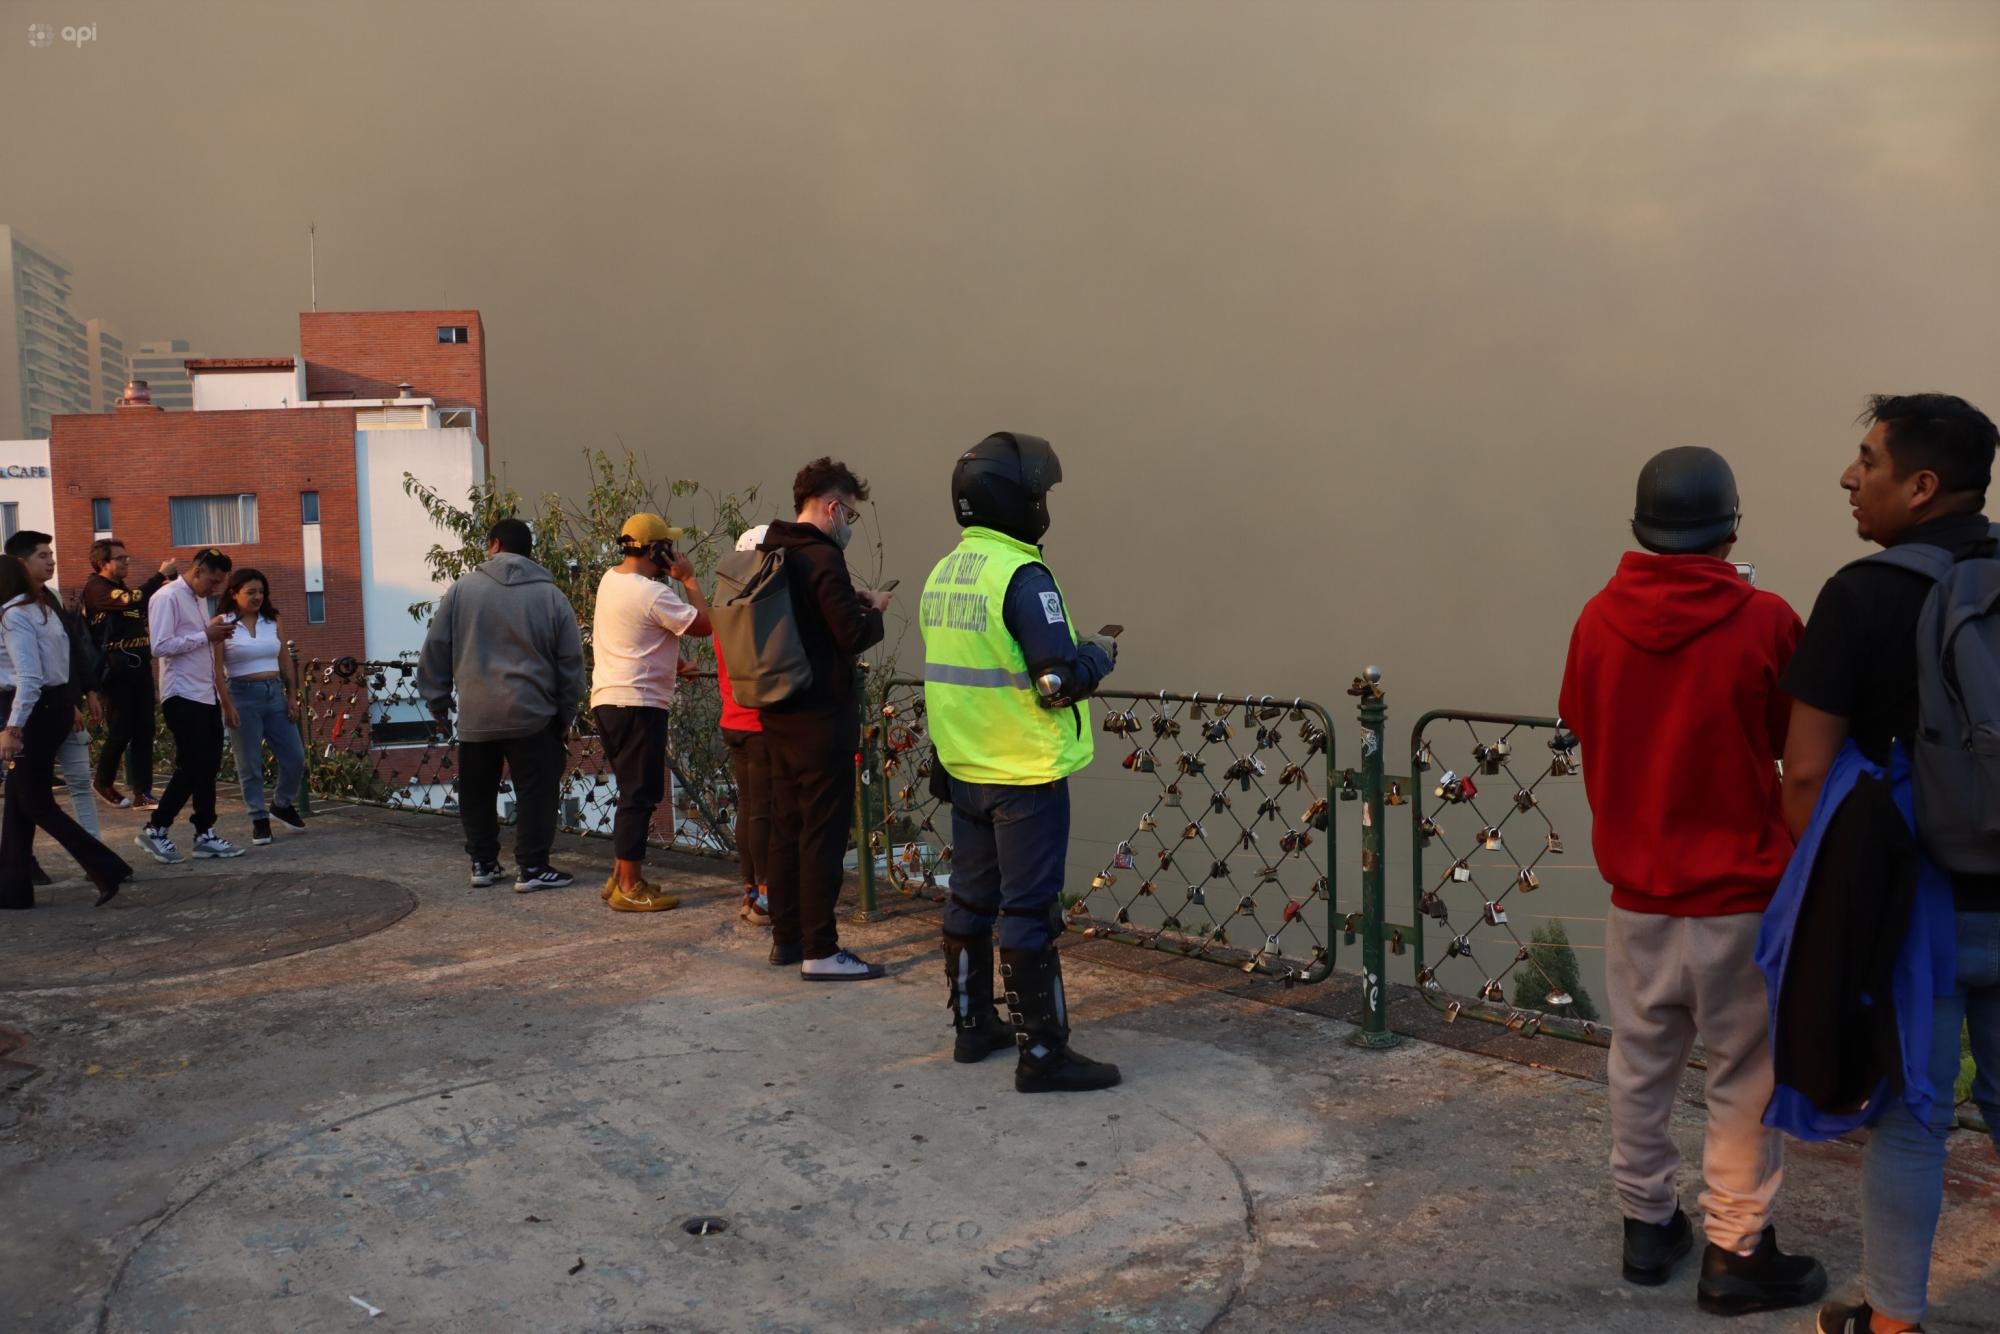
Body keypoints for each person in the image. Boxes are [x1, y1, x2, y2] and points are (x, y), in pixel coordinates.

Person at [1557, 447, 1824, 1314]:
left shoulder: (1596, 620)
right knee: (1744, 1078)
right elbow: (1799, 752)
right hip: (1741, 896)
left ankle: (1645, 1228)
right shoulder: (1767, 621)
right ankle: (1736, 1253)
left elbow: (1580, 720)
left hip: (1637, 894)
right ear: (1731, 529)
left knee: (1638, 1063)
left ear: (1642, 531)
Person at [1774, 395, 1999, 1334]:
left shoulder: (1860, 596)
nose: (1847, 477)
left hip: (1918, 905)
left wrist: (1832, 894)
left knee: (1914, 1116)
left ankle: (1894, 1321)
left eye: (1865, 460)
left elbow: (1808, 770)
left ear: (1921, 484)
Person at [921, 432, 1121, 1093]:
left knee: (971, 899)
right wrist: (1096, 656)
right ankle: (1043, 1054)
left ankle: (973, 1025)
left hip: (966, 768)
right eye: (1040, 494)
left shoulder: (945, 572)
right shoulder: (1022, 576)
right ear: (1018, 501)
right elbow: (1054, 683)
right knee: (1029, 913)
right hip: (1024, 773)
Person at [759, 458, 889, 979]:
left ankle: (786, 940)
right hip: (820, 716)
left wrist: (845, 603)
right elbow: (851, 637)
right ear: (833, 507)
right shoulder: (823, 558)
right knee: (823, 834)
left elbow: (809, 616)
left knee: (786, 829)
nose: (849, 524)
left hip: (776, 709)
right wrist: (874, 608)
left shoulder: (774, 550)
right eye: (850, 514)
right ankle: (821, 949)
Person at [417, 517, 584, 892]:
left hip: (477, 713)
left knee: (477, 790)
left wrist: (437, 698)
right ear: (529, 552)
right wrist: (566, 710)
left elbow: (437, 646)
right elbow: (570, 661)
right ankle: (533, 867)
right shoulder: (551, 596)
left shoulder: (463, 590)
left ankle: (483, 863)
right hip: (533, 714)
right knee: (536, 792)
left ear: (494, 544)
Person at [588, 513, 713, 912]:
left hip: (610, 698)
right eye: (670, 546)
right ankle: (628, 886)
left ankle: (622, 875)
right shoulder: (653, 593)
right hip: (638, 702)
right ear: (658, 550)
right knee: (640, 795)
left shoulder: (612, 580)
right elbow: (705, 624)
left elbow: (633, 635)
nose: (675, 553)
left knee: (632, 791)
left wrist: (675, 665)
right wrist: (690, 579)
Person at [0, 538, 133, 909]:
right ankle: (12, 891)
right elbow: (59, 667)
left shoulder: (15, 615)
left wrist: (12, 729)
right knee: (17, 803)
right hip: (52, 704)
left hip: (31, 709)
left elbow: (28, 677)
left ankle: (106, 868)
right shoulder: (42, 608)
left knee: (35, 802)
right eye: (43, 556)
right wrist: (68, 703)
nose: (51, 562)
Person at [135, 548, 245, 864]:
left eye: (218, 585)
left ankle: (204, 834)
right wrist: (204, 635)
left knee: (208, 766)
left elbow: (199, 639)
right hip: (182, 694)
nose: (214, 590)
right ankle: (156, 828)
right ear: (197, 570)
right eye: (212, 582)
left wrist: (211, 635)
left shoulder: (197, 598)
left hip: (204, 693)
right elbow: (159, 646)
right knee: (193, 765)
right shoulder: (167, 597)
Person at [211, 569, 307, 847]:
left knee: (294, 757)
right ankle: (259, 819)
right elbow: (216, 670)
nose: (257, 597)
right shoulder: (222, 623)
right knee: (249, 763)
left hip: (274, 693)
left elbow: (285, 660)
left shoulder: (272, 620)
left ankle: (281, 803)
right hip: (241, 695)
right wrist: (226, 705)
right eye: (250, 591)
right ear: (234, 593)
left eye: (261, 591)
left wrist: (292, 695)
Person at [79, 538, 176, 810]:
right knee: (121, 729)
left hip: (139, 667)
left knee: (145, 728)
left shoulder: (119, 587)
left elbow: (140, 604)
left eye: (126, 557)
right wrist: (159, 575)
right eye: (120, 558)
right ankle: (103, 780)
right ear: (102, 563)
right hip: (116, 669)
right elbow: (131, 599)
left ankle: (142, 792)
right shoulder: (96, 587)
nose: (126, 562)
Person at [718, 525, 772, 927]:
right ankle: (766, 896)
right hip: (759, 723)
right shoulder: (761, 607)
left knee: (749, 807)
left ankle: (749, 890)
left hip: (731, 719)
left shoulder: (726, 603)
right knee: (765, 812)